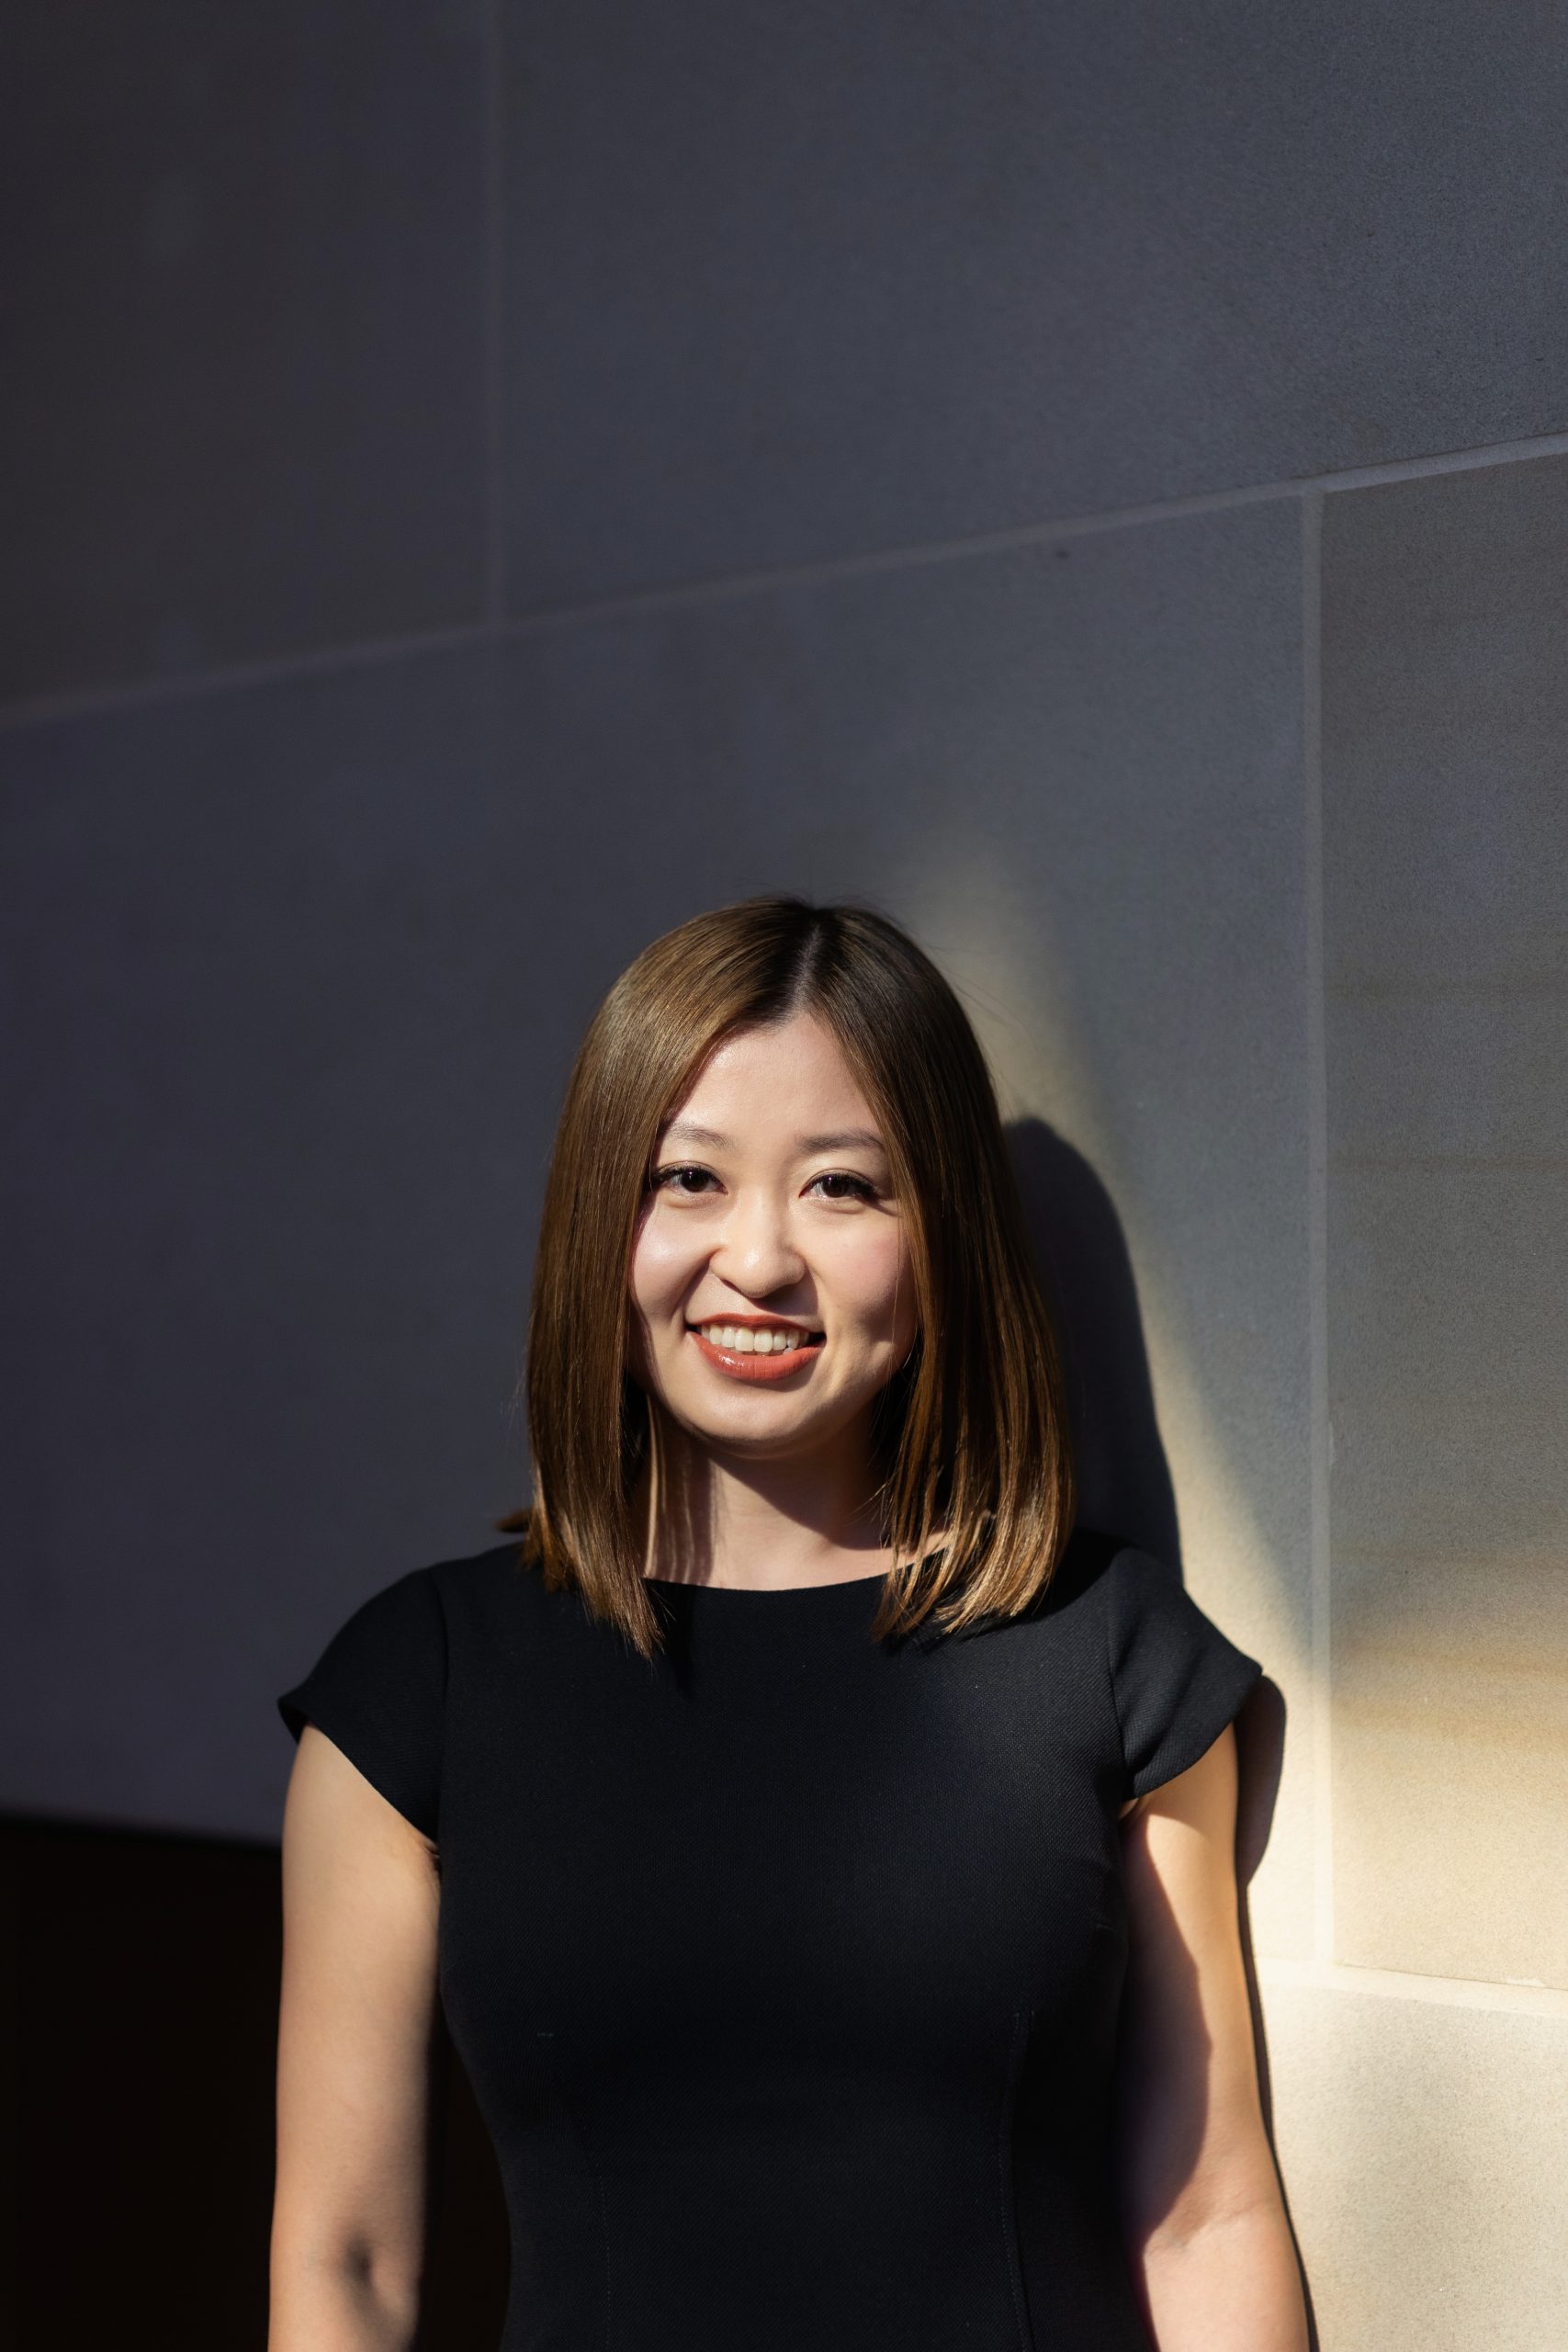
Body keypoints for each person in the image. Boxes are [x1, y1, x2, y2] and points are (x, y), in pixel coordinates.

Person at [270, 894, 1309, 2352]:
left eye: (844, 1188)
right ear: (598, 1221)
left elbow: (1206, 2209)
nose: (757, 1261)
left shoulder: (1114, 1653)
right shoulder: (416, 1694)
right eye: (687, 1179)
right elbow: (348, 2265)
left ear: (939, 1236)